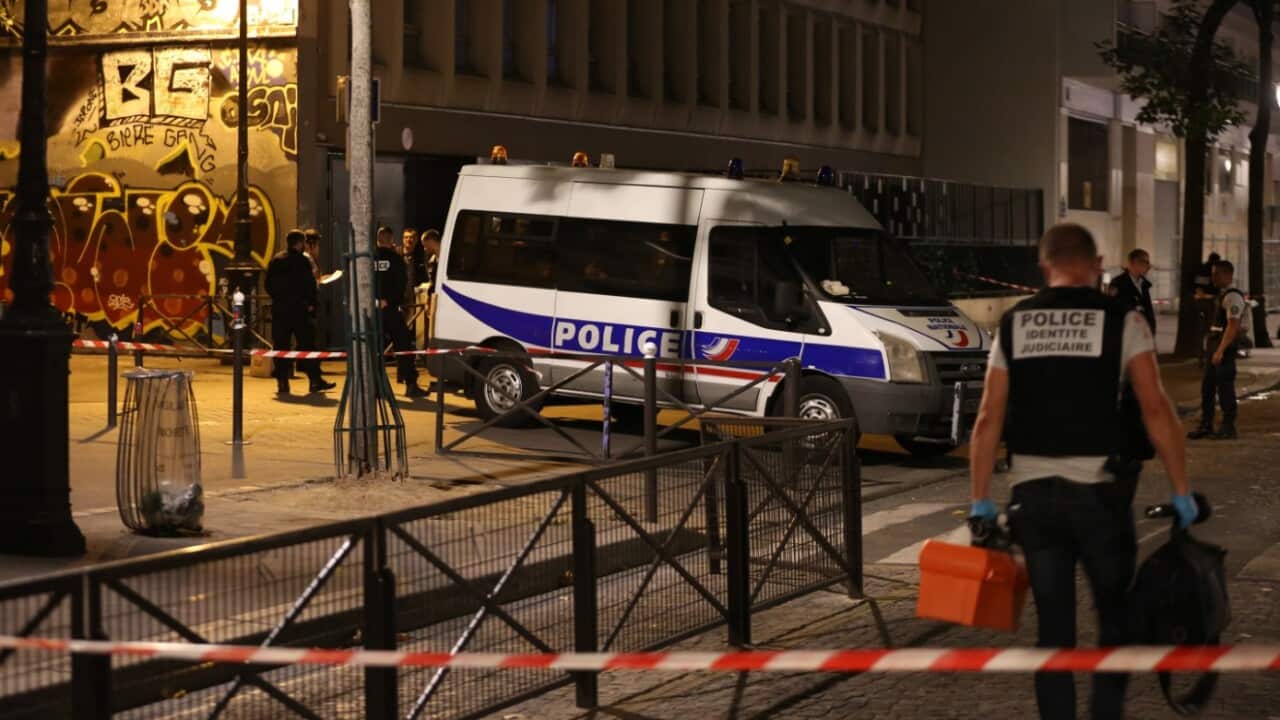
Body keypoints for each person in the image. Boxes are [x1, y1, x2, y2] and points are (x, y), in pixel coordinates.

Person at [967, 223, 1195, 720]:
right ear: (1096, 266)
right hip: (1099, 499)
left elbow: (988, 418)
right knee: (1115, 623)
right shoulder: (1124, 320)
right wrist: (1181, 490)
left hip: (1034, 500)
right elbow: (1155, 410)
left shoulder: (1014, 323)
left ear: (1044, 265)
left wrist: (980, 500)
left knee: (1053, 633)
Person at [265, 229, 336, 395]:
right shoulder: (302, 262)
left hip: (281, 310)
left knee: (281, 346)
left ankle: (282, 382)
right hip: (299, 311)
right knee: (307, 345)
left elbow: (269, 285)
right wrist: (311, 304)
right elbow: (309, 285)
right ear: (299, 243)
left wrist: (279, 298)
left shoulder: (276, 260)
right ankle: (314, 380)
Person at [1188, 260, 1249, 440]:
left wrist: (1221, 350)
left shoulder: (1233, 296)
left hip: (1224, 346)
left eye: (1216, 274)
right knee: (1207, 387)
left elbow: (1232, 325)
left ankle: (1228, 426)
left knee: (1224, 387)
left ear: (1227, 275)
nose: (1213, 277)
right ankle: (1206, 424)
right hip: (1215, 344)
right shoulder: (1222, 294)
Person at [376, 226, 426, 397]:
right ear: (391, 241)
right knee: (403, 344)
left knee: (374, 348)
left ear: (377, 240)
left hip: (371, 311)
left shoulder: (368, 259)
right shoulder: (396, 260)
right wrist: (389, 300)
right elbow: (401, 284)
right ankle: (410, 384)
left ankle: (375, 386)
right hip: (390, 309)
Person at [1108, 248, 1155, 332]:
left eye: (1148, 263)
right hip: (1126, 333)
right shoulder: (1118, 283)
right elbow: (1115, 309)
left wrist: (1152, 331)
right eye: (1145, 262)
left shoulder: (1144, 284)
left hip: (1143, 334)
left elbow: (1149, 312)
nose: (1148, 266)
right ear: (1133, 263)